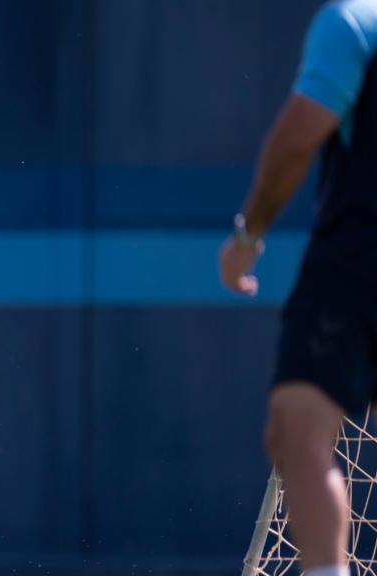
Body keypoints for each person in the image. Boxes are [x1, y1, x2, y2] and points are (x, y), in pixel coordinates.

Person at [219, 2, 377, 575]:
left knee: (300, 430)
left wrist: (247, 235)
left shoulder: (356, 22)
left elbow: (295, 139)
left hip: (359, 257)